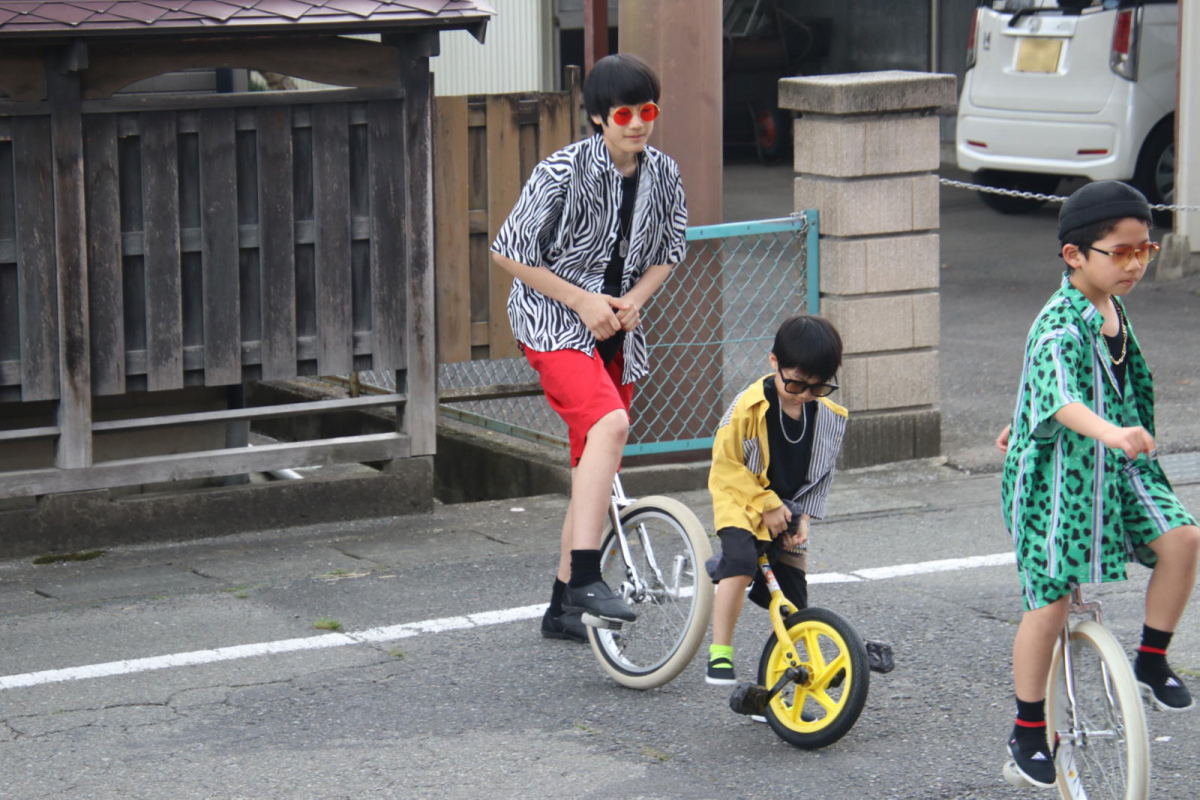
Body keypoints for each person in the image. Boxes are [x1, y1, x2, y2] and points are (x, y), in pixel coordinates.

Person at [996, 181, 1200, 788]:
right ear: (1074, 255)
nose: (1136, 263)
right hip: (1056, 481)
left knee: (1184, 540)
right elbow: (1057, 391)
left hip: (1118, 467)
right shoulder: (1057, 322)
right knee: (1051, 601)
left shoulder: (1112, 305)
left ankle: (1152, 658)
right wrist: (1109, 431)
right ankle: (1029, 727)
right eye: (1122, 251)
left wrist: (1105, 435)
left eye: (1145, 249)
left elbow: (1067, 384)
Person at [490, 54, 688, 642]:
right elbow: (507, 250)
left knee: (593, 469)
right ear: (598, 118)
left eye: (647, 110)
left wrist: (635, 300)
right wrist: (581, 300)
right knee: (610, 423)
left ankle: (562, 610)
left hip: (618, 334)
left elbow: (667, 254)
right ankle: (583, 578)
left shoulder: (665, 174)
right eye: (623, 112)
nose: (637, 123)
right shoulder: (560, 172)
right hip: (553, 323)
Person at [704, 315, 847, 685]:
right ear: (774, 363)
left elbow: (820, 473)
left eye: (817, 388)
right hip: (742, 500)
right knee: (740, 562)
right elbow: (725, 465)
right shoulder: (748, 407)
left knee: (794, 596)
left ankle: (777, 681)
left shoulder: (826, 416)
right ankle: (720, 650)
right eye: (796, 383)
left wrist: (805, 517)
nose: (804, 394)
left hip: (788, 508)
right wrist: (765, 502)